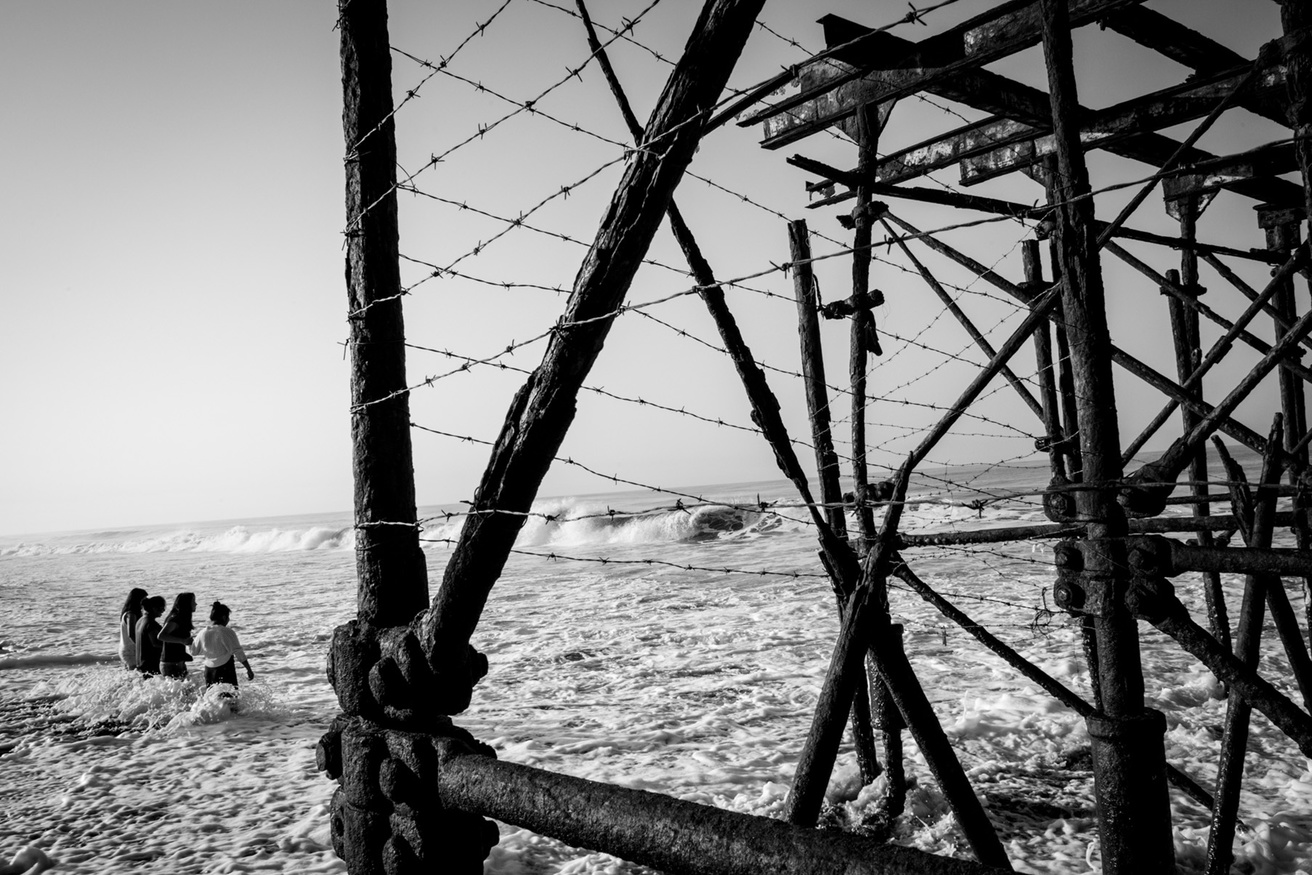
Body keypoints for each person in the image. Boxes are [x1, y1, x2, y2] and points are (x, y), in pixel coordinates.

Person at [192, 601, 254, 689]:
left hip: (209, 671)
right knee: (231, 699)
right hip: (224, 669)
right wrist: (249, 669)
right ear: (224, 617)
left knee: (212, 699)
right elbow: (238, 652)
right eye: (228, 617)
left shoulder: (202, 633)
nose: (228, 620)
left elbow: (193, 651)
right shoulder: (227, 632)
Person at [158, 592, 197, 679]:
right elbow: (161, 636)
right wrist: (182, 641)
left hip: (176, 661)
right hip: (171, 663)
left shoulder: (180, 617)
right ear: (187, 604)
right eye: (193, 601)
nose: (196, 604)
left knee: (185, 691)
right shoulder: (176, 618)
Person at [134, 596, 167, 676]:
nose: (163, 610)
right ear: (154, 608)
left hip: (140, 663)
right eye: (162, 607)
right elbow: (155, 643)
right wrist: (173, 647)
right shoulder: (150, 623)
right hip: (150, 665)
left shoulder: (140, 620)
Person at [118, 588, 148, 670]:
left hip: (127, 648)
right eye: (144, 599)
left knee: (132, 676)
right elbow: (131, 634)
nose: (145, 601)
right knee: (135, 675)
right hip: (131, 650)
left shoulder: (129, 613)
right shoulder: (131, 614)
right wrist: (141, 647)